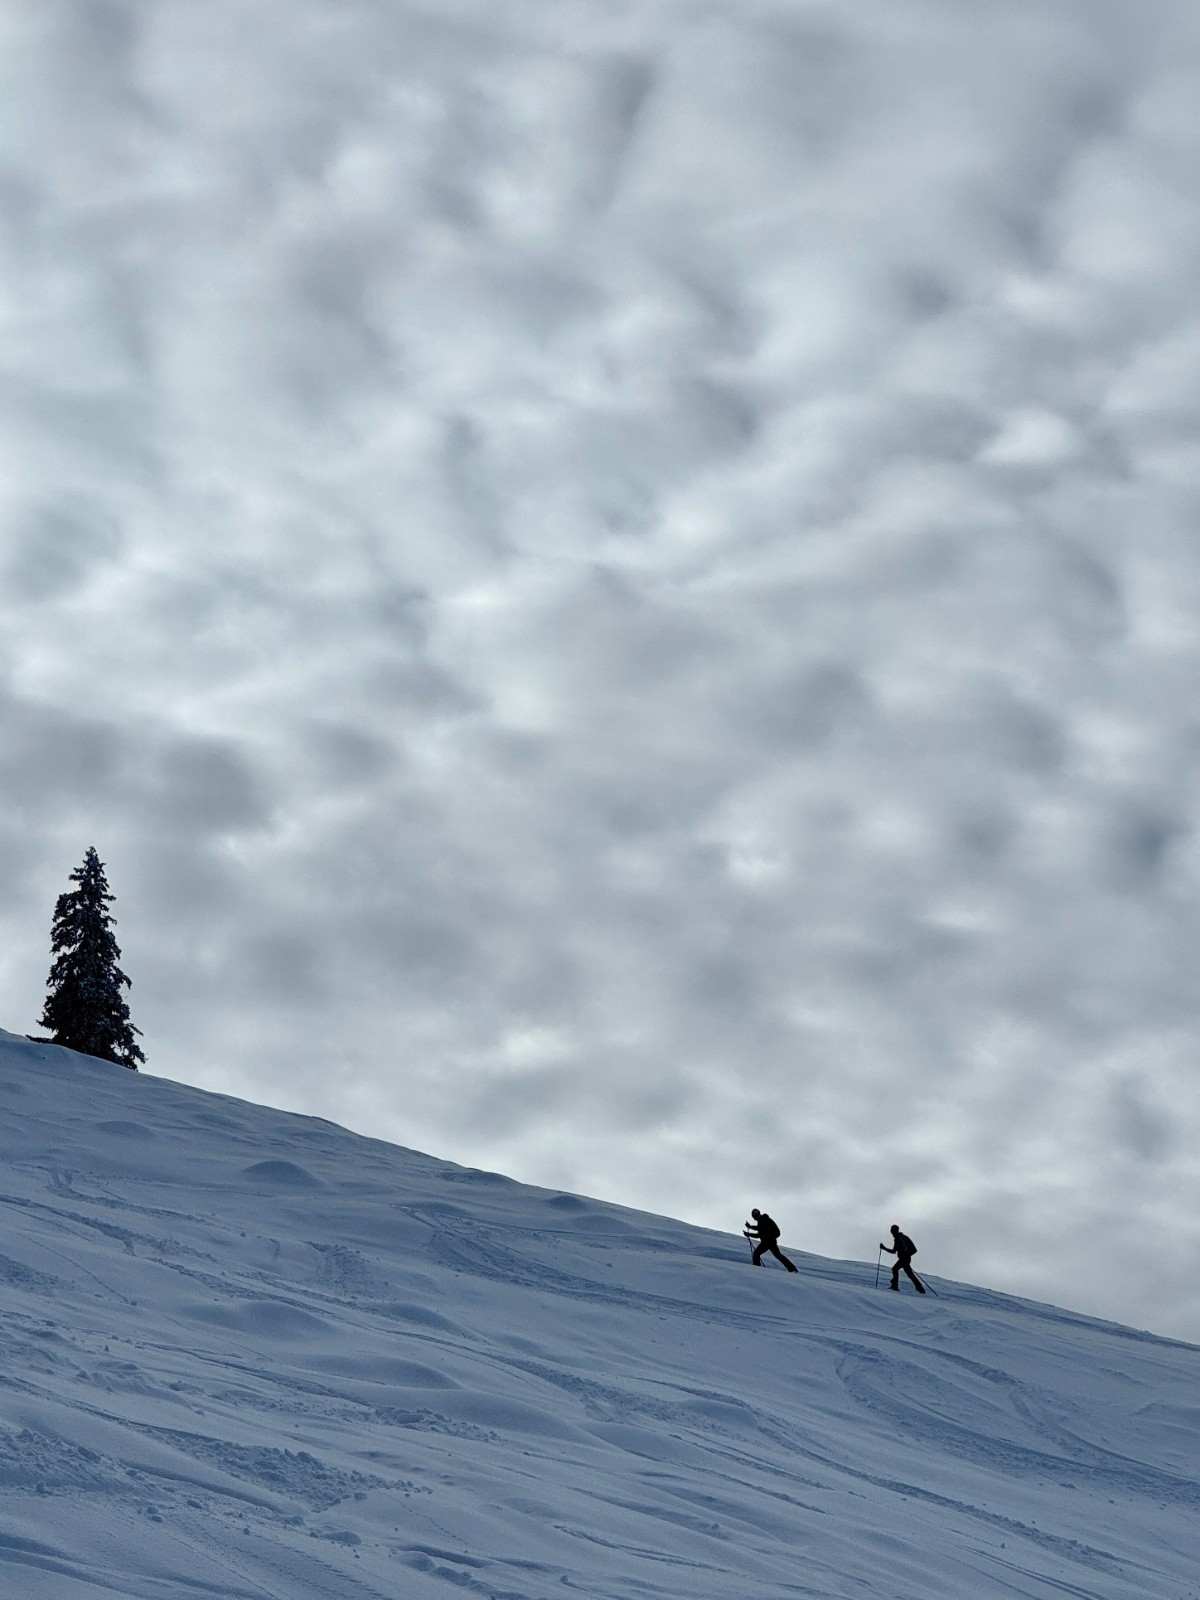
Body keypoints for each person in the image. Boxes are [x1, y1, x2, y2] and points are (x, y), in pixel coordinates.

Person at [880, 1224, 925, 1293]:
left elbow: (914, 1250)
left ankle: (895, 1286)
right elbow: (894, 1251)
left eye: (892, 1232)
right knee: (908, 1273)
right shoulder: (902, 1238)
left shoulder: (900, 1239)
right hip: (905, 1259)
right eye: (891, 1232)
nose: (892, 1233)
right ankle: (920, 1289)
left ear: (895, 1231)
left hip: (904, 1259)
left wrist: (884, 1248)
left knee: (896, 1269)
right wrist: (884, 1248)